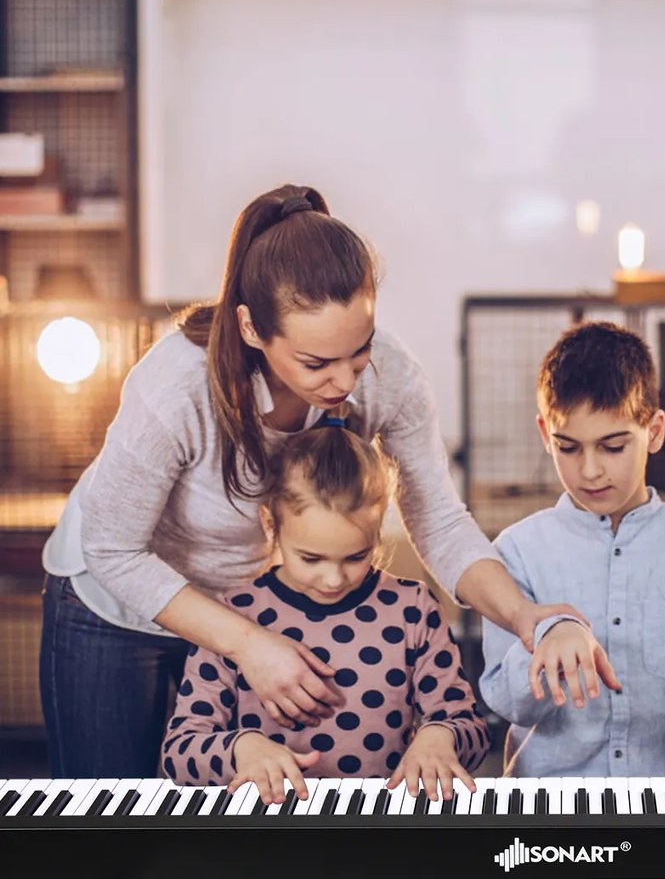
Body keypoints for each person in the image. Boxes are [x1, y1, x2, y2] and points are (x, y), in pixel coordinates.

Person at [40, 184, 617, 779]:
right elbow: (112, 548)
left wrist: (524, 616)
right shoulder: (175, 386)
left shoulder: (388, 376)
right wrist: (245, 644)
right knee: (107, 813)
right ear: (251, 329)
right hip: (112, 603)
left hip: (245, 609)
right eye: (316, 363)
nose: (344, 380)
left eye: (359, 350)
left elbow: (439, 521)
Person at [479, 321, 665, 796]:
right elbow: (505, 699)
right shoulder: (514, 551)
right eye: (568, 447)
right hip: (549, 811)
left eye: (613, 447)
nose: (590, 470)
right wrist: (546, 644)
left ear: (653, 431)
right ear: (545, 435)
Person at [162, 425, 489, 805]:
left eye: (356, 556)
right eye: (311, 558)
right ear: (270, 524)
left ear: (378, 528)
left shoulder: (412, 608)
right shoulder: (232, 616)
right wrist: (243, 749)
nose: (334, 579)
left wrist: (441, 738)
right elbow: (180, 752)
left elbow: (473, 731)